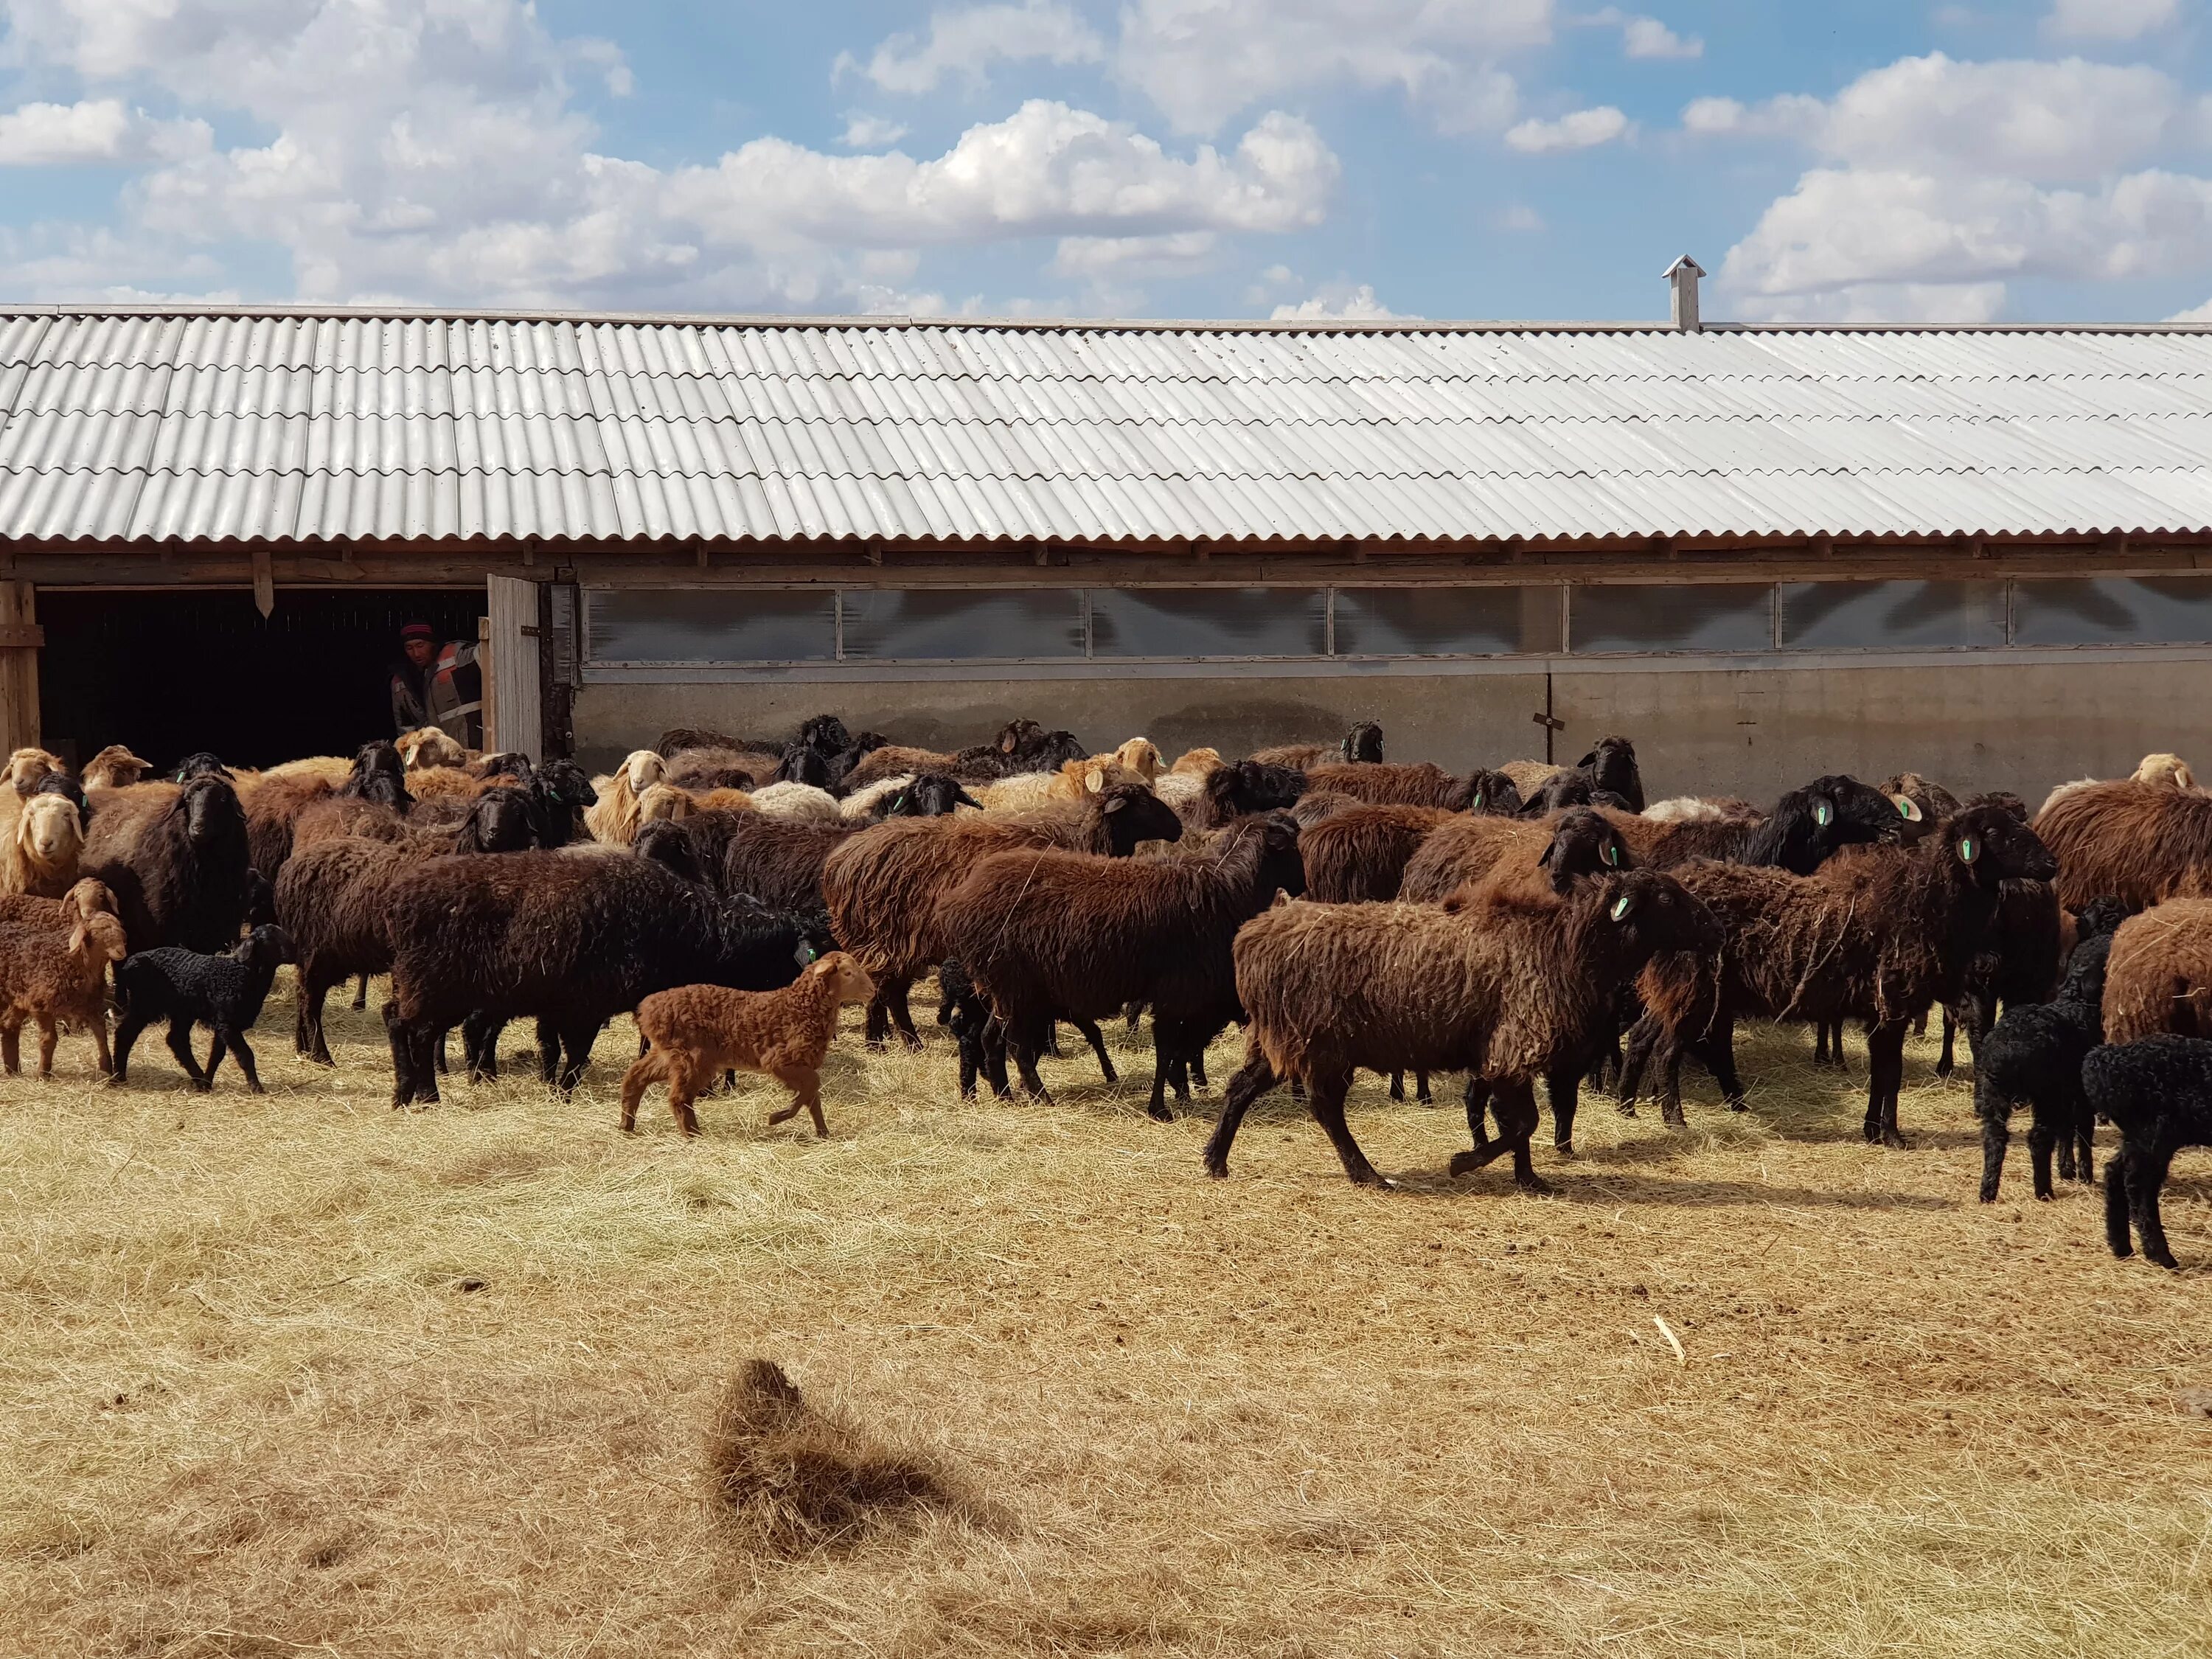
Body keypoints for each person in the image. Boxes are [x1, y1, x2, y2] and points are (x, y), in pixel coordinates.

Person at [389, 621, 484, 750]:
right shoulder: (400, 683)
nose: (416, 654)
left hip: (472, 750)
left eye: (420, 645)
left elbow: (491, 652)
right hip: (435, 759)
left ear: (433, 643)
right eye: (409, 648)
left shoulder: (458, 656)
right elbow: (406, 731)